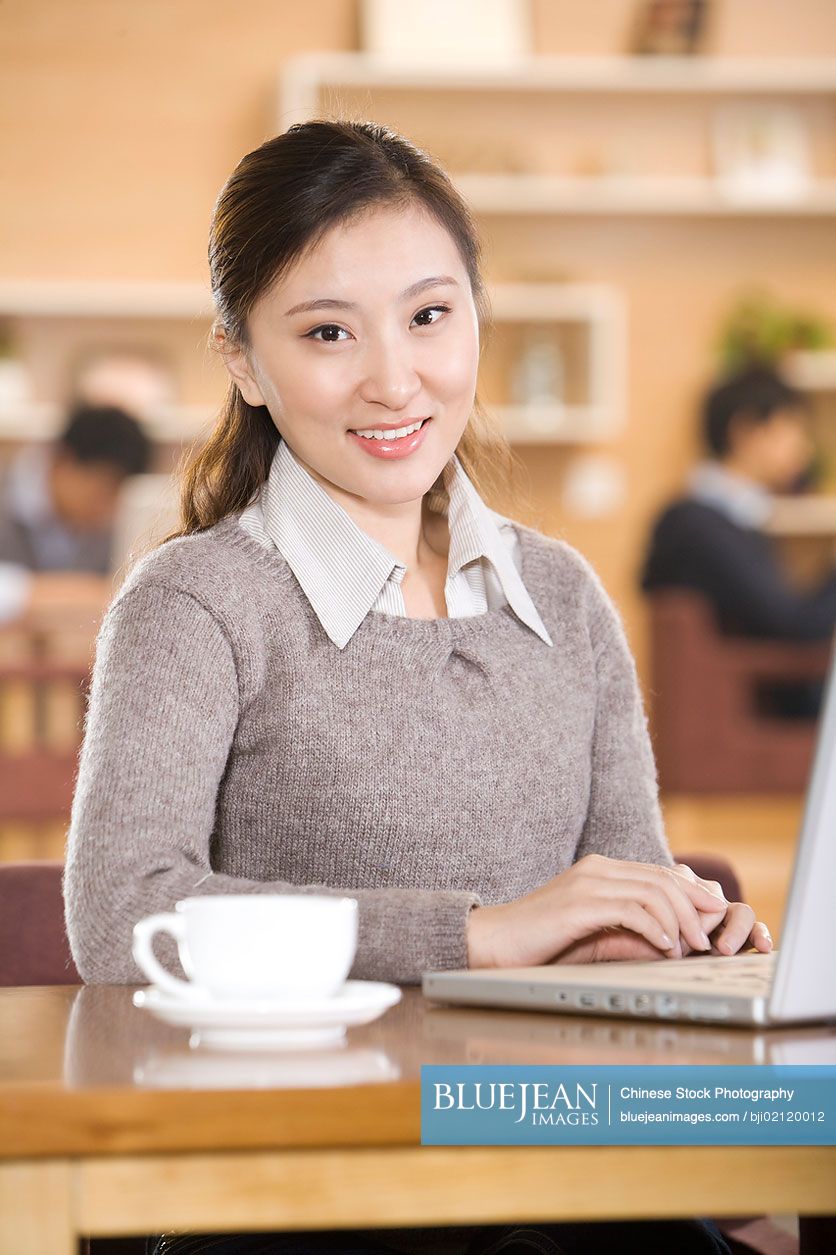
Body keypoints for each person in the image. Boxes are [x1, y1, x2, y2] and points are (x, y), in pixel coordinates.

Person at [63, 121, 769, 1255]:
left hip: (554, 1155)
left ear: (476, 320)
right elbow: (124, 916)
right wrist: (480, 935)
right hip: (301, 1178)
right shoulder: (192, 604)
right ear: (241, 358)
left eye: (429, 315)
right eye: (327, 331)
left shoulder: (563, 593)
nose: (394, 378)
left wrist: (664, 933)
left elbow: (621, 880)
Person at [641, 366, 836, 641]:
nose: (805, 448)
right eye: (793, 430)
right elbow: (794, 627)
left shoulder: (707, 520)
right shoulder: (701, 526)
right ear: (746, 431)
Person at [0, 402, 152, 624]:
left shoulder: (110, 522)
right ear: (65, 460)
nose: (107, 507)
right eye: (102, 489)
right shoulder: (7, 494)